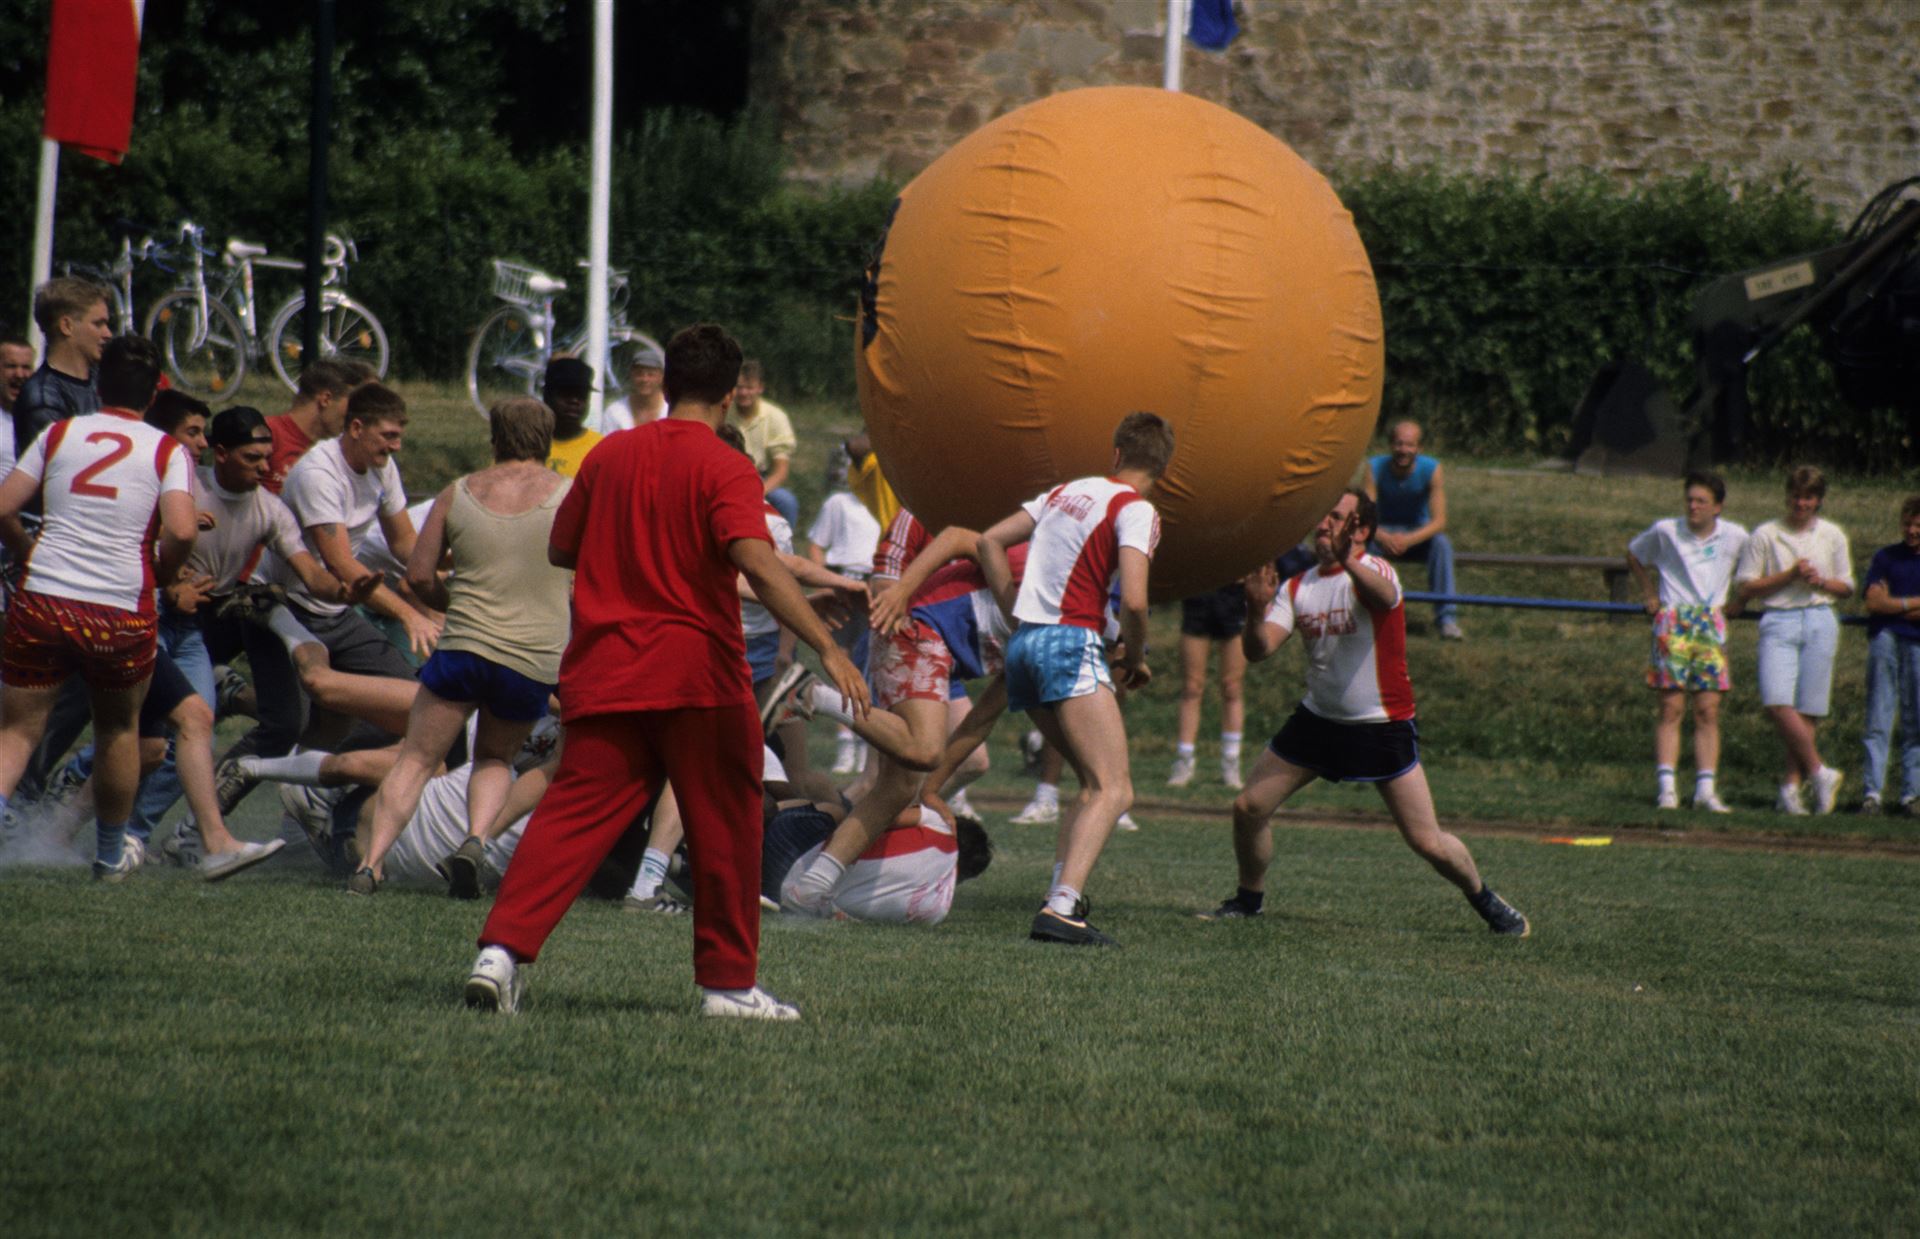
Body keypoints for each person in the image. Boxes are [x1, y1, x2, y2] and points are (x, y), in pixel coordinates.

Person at [463, 323, 868, 1021]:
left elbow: (564, 549)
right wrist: (828, 648)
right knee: (727, 826)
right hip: (697, 676)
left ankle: (498, 954)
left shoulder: (610, 454)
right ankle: (728, 986)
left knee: (567, 820)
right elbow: (756, 559)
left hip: (605, 670)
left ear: (668, 379)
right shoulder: (724, 464)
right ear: (730, 390)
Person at [1200, 489, 1530, 936]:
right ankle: (1248, 900)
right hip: (1318, 723)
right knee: (1248, 807)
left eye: (1337, 517)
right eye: (1323, 516)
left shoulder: (1375, 570)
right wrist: (1256, 612)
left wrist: (1350, 561)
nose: (1323, 525)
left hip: (1380, 728)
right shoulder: (1298, 586)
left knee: (1427, 841)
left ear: (1362, 531)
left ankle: (1487, 901)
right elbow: (1260, 651)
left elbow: (1382, 596)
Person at [352, 396, 573, 897]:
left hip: (465, 645)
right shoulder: (570, 495)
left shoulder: (458, 492)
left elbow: (420, 575)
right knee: (495, 759)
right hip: (532, 656)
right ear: (547, 441)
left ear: (495, 439)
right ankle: (474, 840)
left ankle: (370, 864)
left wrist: (451, 603)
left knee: (416, 758)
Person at [0, 336, 196, 881]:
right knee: (117, 730)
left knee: (16, 731)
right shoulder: (166, 449)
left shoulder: (61, 433)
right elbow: (182, 527)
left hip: (44, 598)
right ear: (154, 393)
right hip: (118, 608)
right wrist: (165, 570)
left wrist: (26, 550)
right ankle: (110, 854)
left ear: (97, 384)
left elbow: (3, 506)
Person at [976, 411, 1172, 947]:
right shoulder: (1137, 510)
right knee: (1116, 788)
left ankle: (1060, 894)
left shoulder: (1068, 490)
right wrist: (1135, 656)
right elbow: (1133, 598)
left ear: (1115, 455)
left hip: (1025, 647)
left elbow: (989, 541)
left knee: (1090, 781)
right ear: (1162, 468)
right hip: (1069, 644)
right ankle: (1062, 910)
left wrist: (1012, 608)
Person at [1625, 472, 1749, 812]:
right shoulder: (1667, 531)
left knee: (1707, 709)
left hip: (1710, 622)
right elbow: (1634, 554)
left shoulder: (1735, 536)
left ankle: (1705, 790)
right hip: (1674, 620)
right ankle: (1667, 788)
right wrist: (1650, 593)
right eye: (1689, 500)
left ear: (1717, 507)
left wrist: (1741, 600)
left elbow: (1753, 569)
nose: (1693, 507)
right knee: (1671, 707)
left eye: (1701, 501)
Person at [1734, 466, 1854, 815]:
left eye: (1808, 498)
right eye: (1796, 497)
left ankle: (1790, 789)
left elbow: (1845, 586)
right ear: (1787, 496)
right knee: (1776, 702)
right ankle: (1820, 772)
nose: (1801, 504)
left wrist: (1818, 582)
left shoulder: (1831, 535)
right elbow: (1747, 586)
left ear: (1818, 501)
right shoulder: (1766, 534)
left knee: (1808, 709)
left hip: (1819, 618)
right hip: (1779, 619)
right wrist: (1789, 576)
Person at [806, 448, 882, 773]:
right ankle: (845, 745)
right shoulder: (838, 503)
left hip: (874, 586)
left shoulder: (887, 505)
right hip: (842, 580)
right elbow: (816, 544)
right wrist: (823, 584)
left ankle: (868, 742)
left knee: (872, 666)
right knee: (841, 661)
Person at [1364, 419, 1462, 640]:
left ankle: (1447, 619)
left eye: (1410, 445)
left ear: (1419, 448)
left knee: (1441, 544)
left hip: (1416, 535)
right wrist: (1383, 536)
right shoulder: (1374, 467)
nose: (1404, 450)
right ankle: (1361, 612)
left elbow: (1439, 521)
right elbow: (1365, 516)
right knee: (1359, 545)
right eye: (1399, 444)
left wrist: (1408, 540)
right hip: (1382, 533)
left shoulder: (1432, 469)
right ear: (1390, 445)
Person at [1858, 495, 1920, 814]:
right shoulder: (1886, 557)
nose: (1912, 531)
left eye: (1917, 526)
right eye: (1907, 524)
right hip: (1886, 637)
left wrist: (1892, 602)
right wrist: (1910, 604)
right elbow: (1873, 602)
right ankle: (1872, 792)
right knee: (1879, 714)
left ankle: (1911, 794)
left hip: (1917, 643)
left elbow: (1885, 601)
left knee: (1917, 719)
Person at [13, 277, 111, 452]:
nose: (108, 334)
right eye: (98, 324)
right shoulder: (42, 399)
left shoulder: (106, 381)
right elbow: (64, 465)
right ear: (67, 326)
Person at [1168, 582, 1248, 790]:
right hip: (1199, 593)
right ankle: (1184, 760)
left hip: (1233, 596)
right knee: (1192, 687)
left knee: (1232, 687)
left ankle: (1231, 761)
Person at [262, 359, 360, 495]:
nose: (353, 415)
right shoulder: (267, 433)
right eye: (351, 404)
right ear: (325, 399)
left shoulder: (336, 450)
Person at [725, 360, 799, 528]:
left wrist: (757, 492)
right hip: (727, 477)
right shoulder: (723, 413)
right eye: (739, 387)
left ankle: (784, 545)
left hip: (760, 478)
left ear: (760, 388)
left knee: (787, 502)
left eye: (749, 387)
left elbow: (781, 470)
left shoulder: (775, 416)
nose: (743, 393)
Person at [540, 357, 601, 479]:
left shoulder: (600, 448)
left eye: (581, 395)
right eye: (566, 393)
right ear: (547, 396)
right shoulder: (526, 445)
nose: (574, 401)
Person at [596, 342, 666, 433]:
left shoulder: (671, 411)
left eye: (651, 374)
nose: (645, 379)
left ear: (662, 377)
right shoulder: (615, 412)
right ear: (631, 375)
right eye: (639, 374)